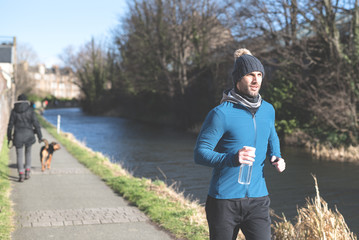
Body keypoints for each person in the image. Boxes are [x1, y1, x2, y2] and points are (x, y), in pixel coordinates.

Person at [194, 48, 286, 240]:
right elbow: (200, 153)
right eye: (250, 75)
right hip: (224, 201)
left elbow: (272, 136)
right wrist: (232, 159)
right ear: (237, 78)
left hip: (258, 199)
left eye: (259, 75)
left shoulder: (268, 110)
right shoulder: (221, 113)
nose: (256, 80)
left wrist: (276, 155)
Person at [7, 94, 43, 182]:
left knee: (19, 155)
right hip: (29, 135)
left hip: (18, 136)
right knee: (28, 154)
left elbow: (10, 125)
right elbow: (36, 124)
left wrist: (9, 137)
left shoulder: (14, 111)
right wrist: (39, 136)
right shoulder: (30, 110)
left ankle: (21, 175)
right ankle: (27, 172)